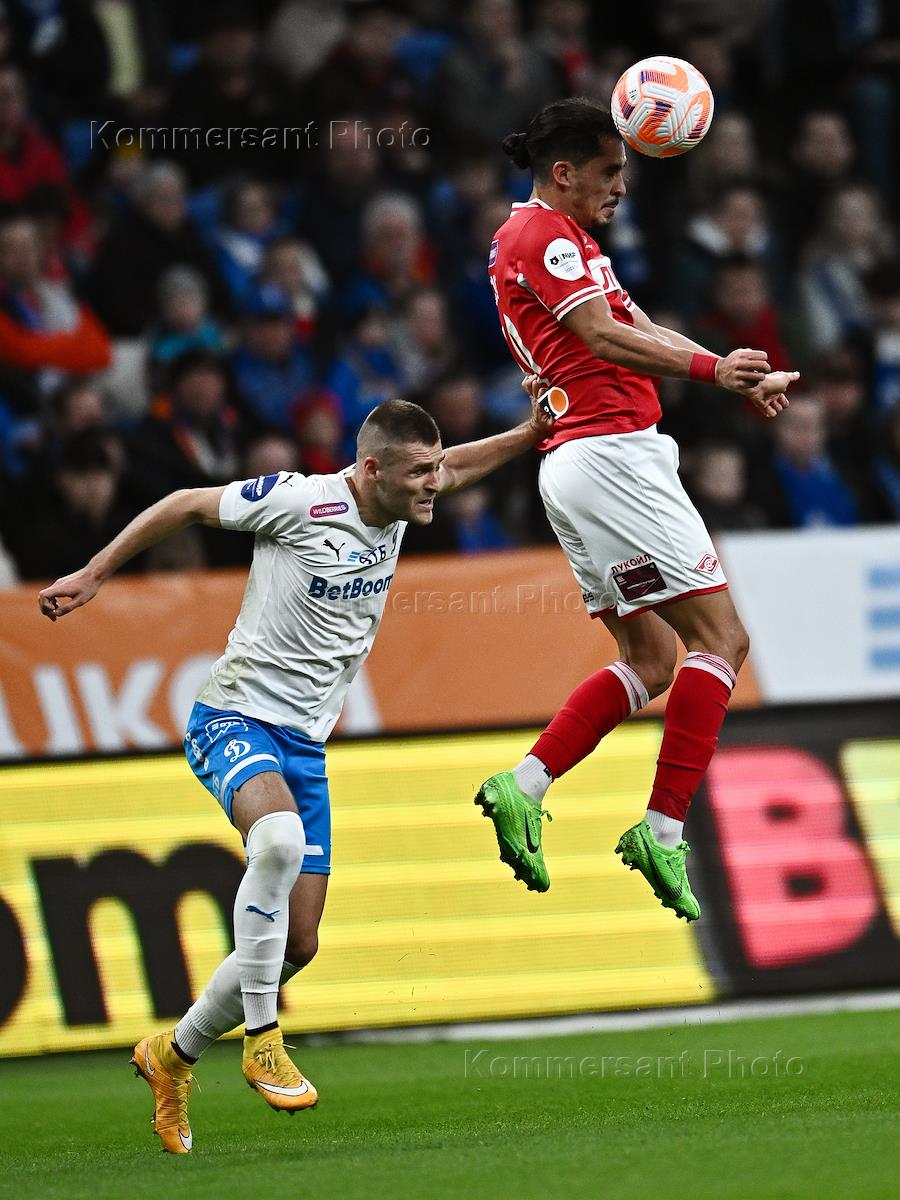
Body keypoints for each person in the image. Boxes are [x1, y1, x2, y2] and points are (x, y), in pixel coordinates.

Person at [37, 393, 551, 1154]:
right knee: (276, 843)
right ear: (371, 469)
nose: (434, 485)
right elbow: (185, 504)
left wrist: (531, 432)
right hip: (233, 717)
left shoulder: (405, 498)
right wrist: (94, 572)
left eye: (435, 471)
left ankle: (171, 1055)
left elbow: (460, 465)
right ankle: (263, 1039)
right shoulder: (298, 501)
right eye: (418, 473)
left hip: (305, 745)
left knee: (298, 943)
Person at [476, 98, 799, 922]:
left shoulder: (548, 238)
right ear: (564, 173)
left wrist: (731, 372)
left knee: (652, 660)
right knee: (722, 640)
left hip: (579, 464)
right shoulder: (548, 238)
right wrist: (711, 370)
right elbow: (603, 337)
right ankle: (662, 829)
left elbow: (634, 323)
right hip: (613, 455)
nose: (622, 187)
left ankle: (524, 785)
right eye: (610, 171)